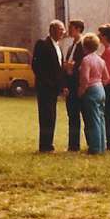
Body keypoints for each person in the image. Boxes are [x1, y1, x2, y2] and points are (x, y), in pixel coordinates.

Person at [31, 20, 66, 152]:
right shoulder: (42, 44)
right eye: (61, 29)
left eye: (63, 30)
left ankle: (49, 143)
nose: (63, 32)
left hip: (54, 88)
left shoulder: (58, 47)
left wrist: (62, 85)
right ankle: (44, 145)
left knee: (52, 116)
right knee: (45, 116)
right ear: (52, 30)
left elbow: (58, 68)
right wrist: (47, 82)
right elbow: (36, 66)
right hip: (45, 87)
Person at [79, 32, 109, 154]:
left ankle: (95, 148)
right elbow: (106, 77)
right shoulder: (101, 60)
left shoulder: (86, 60)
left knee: (92, 120)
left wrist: (81, 90)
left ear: (85, 46)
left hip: (91, 90)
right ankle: (102, 146)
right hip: (100, 89)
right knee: (101, 118)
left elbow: (85, 78)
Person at [63, 19, 85, 151]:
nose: (68, 30)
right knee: (72, 115)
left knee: (79, 114)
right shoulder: (71, 46)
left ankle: (77, 144)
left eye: (70, 28)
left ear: (77, 29)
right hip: (70, 84)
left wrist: (73, 68)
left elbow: (83, 64)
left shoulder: (83, 45)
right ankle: (73, 144)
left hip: (78, 84)